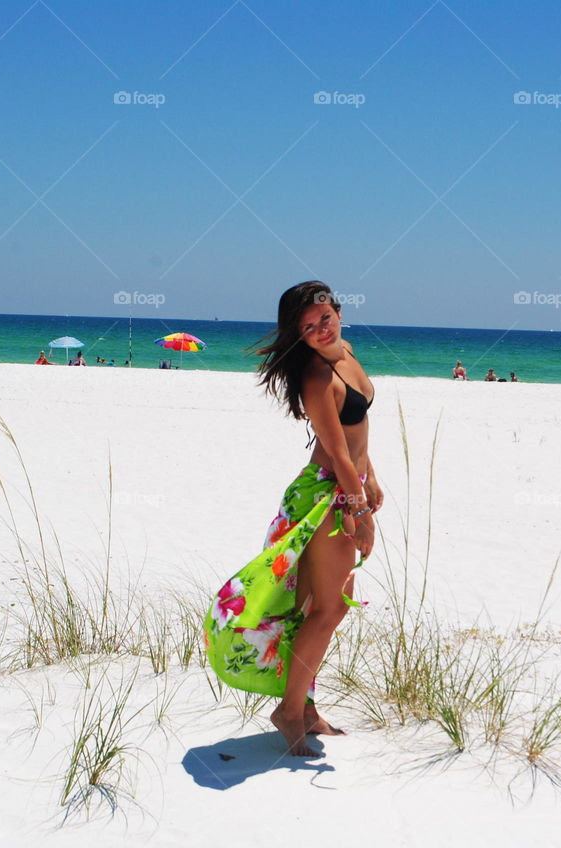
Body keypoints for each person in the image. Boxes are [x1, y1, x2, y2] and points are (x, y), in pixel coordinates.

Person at [204, 281, 383, 757]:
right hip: (327, 495)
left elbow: (356, 432)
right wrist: (360, 510)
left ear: (338, 312)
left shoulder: (345, 352)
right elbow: (339, 455)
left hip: (345, 486)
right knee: (327, 608)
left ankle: (302, 707)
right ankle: (289, 710)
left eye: (324, 318)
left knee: (317, 608)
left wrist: (374, 477)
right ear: (296, 335)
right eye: (307, 327)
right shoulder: (315, 376)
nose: (320, 329)